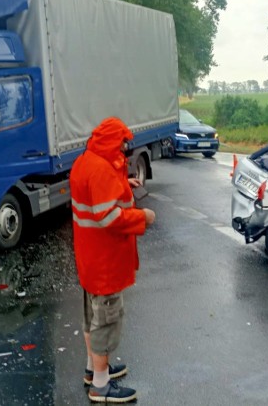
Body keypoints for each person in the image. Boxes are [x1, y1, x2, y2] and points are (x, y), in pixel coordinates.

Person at [70, 117, 156, 403]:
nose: (124, 148)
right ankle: (102, 386)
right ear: (111, 141)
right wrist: (144, 218)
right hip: (106, 262)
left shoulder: (86, 161)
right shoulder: (102, 170)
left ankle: (92, 371)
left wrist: (124, 182)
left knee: (92, 317)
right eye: (121, 143)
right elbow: (110, 217)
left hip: (90, 259)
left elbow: (99, 199)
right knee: (105, 323)